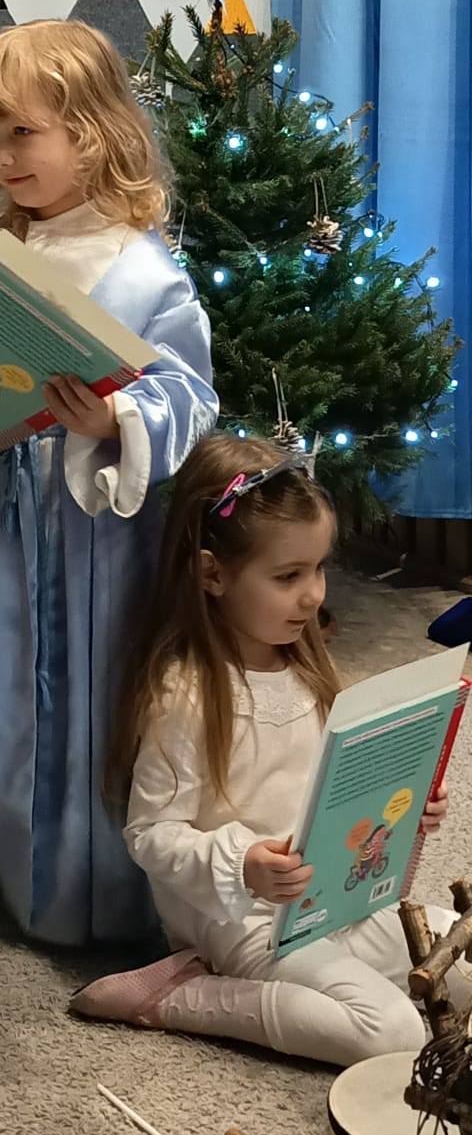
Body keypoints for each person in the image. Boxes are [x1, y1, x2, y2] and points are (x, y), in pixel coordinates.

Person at [0, 18, 217, 945]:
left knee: (88, 692)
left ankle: (84, 880)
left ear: (93, 131)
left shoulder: (144, 273)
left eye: (24, 133)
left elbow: (190, 397)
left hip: (92, 534)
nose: (3, 155)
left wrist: (113, 421)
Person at [73, 430, 456, 1065]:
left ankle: (338, 979)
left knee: (460, 959)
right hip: (246, 921)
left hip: (337, 902)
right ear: (212, 573)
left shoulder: (309, 671)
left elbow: (335, 789)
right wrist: (243, 863)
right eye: (288, 576)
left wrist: (408, 804)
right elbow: (150, 835)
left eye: (320, 568)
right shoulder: (186, 695)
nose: (314, 594)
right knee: (391, 1034)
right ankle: (181, 995)